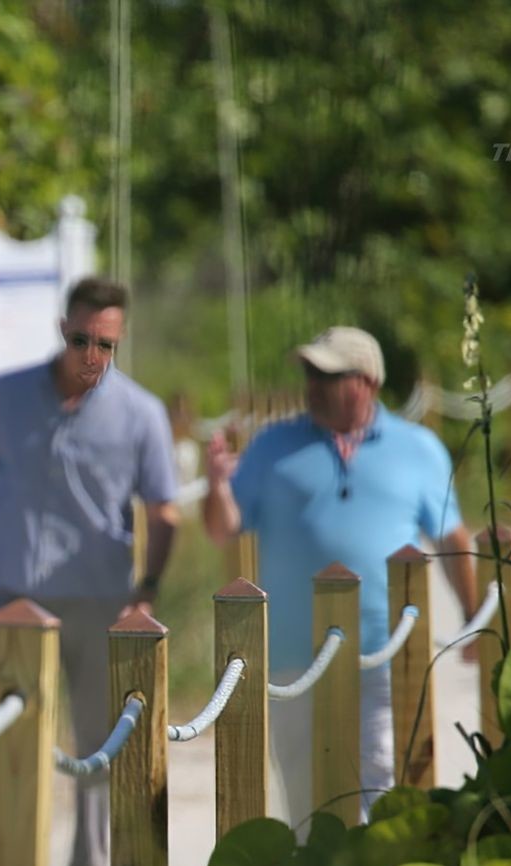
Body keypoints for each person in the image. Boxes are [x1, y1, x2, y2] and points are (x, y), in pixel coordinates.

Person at [0, 276, 180, 866]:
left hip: (99, 600)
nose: (92, 355)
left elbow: (164, 509)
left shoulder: (141, 412)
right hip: (13, 592)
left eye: (107, 344)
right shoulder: (8, 393)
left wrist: (146, 590)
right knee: (10, 738)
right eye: (81, 339)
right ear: (61, 329)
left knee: (98, 744)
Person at [202, 324, 482, 828]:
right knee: (302, 791)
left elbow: (451, 538)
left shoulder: (418, 449)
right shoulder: (272, 446)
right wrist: (218, 486)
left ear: (367, 382)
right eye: (311, 374)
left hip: (385, 654)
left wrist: (472, 615)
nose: (314, 386)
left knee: (379, 785)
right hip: (292, 658)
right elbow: (222, 528)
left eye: (329, 376)